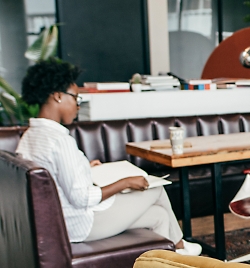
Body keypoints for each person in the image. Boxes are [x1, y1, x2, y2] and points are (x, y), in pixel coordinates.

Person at [15, 59, 200, 256]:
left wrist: (85, 167)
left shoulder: (31, 136)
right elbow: (81, 198)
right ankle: (180, 245)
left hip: (62, 220)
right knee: (156, 189)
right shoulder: (60, 140)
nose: (78, 106)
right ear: (58, 96)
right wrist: (125, 183)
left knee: (159, 216)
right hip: (80, 224)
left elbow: (54, 175)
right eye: (76, 99)